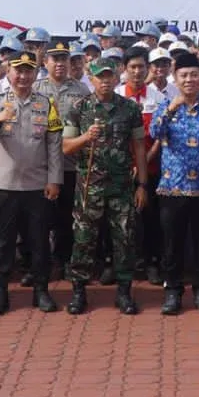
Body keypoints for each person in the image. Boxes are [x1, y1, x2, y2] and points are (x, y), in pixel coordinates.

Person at [62, 58, 144, 315]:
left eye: (109, 75)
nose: (105, 80)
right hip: (90, 188)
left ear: (118, 76)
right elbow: (66, 146)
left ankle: (124, 292)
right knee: (83, 240)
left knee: (124, 239)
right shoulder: (79, 107)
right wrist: (86, 137)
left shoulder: (130, 109)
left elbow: (139, 147)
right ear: (92, 78)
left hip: (121, 187)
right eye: (100, 76)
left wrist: (142, 184)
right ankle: (78, 292)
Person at [150, 52, 199, 316]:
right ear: (176, 78)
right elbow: (155, 133)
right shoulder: (165, 106)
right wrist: (172, 108)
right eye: (183, 75)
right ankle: (172, 291)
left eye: (194, 75)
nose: (189, 80)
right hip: (172, 187)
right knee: (172, 241)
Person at [0, 51, 63, 315]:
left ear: (35, 74)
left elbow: (54, 144)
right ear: (9, 72)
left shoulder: (46, 103)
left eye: (28, 71)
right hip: (5, 185)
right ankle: (0, 292)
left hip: (37, 185)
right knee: (2, 242)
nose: (23, 76)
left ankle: (41, 290)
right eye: (18, 70)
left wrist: (54, 180)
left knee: (39, 241)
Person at [36, 40, 91, 281]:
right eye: (54, 59)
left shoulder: (82, 91)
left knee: (67, 216)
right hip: (39, 165)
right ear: (45, 62)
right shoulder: (36, 89)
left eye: (64, 59)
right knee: (39, 217)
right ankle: (38, 263)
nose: (59, 64)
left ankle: (63, 260)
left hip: (70, 164)